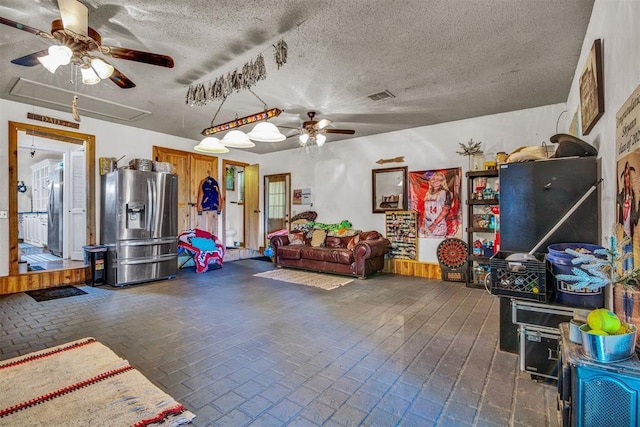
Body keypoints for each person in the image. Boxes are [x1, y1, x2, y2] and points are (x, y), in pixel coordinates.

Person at [617, 161, 639, 273]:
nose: (626, 178)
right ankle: (625, 273)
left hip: (630, 228)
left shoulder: (632, 195)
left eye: (628, 175)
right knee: (624, 251)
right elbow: (618, 201)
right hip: (623, 229)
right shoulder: (622, 194)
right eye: (625, 176)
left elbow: (634, 215)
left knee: (630, 251)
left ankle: (630, 274)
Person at [423, 171, 452, 237]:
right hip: (427, 222)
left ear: (442, 181)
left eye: (439, 179)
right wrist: (423, 223)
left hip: (438, 223)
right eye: (433, 179)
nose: (435, 181)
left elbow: (445, 210)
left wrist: (434, 224)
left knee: (437, 244)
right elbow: (426, 209)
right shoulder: (428, 193)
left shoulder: (445, 192)